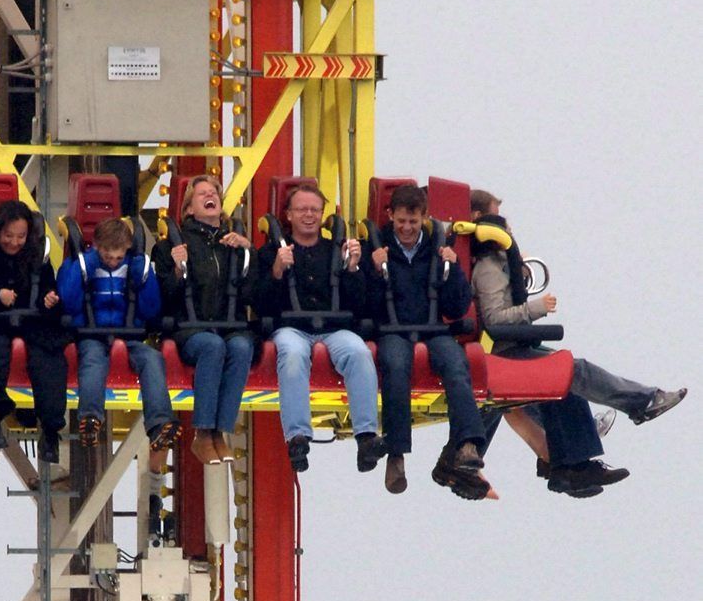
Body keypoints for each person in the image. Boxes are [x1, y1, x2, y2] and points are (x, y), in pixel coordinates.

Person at [468, 189, 685, 495]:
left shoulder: (492, 263)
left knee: (559, 379)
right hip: (498, 352)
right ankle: (641, 403)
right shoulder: (488, 266)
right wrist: (536, 307)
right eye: (502, 222)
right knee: (571, 370)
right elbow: (495, 319)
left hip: (502, 349)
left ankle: (572, 464)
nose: (509, 230)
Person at [364, 183, 493, 498]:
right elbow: (364, 304)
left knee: (455, 364)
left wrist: (452, 270)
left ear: (423, 218)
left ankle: (467, 443)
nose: (407, 228)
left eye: (413, 222)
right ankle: (396, 452)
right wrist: (372, 270)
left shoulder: (436, 250)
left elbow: (456, 305)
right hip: (393, 330)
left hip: (432, 328)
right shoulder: (378, 249)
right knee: (395, 366)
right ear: (391, 216)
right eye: (401, 222)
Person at [248, 178, 382, 475]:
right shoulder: (271, 253)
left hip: (335, 327)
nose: (309, 215)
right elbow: (260, 303)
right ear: (289, 215)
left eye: (314, 210)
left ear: (322, 215)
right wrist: (277, 271)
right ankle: (297, 436)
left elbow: (360, 303)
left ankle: (367, 436)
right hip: (291, 327)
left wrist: (352, 269)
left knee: (359, 353)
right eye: (302, 210)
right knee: (292, 353)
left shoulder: (336, 250)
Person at [151, 174, 255, 465]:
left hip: (227, 325)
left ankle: (220, 431)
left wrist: (248, 253)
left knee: (242, 347)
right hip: (189, 328)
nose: (210, 197)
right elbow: (163, 298)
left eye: (214, 193)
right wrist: (177, 267)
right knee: (212, 346)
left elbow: (252, 292)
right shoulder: (170, 246)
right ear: (188, 209)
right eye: (202, 194)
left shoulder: (232, 244)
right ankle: (203, 432)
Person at [58, 214, 175, 473]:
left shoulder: (135, 268)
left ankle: (160, 425)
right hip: (92, 334)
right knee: (92, 360)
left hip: (130, 335)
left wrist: (143, 280)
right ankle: (90, 417)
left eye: (118, 258)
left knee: (152, 359)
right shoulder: (83, 265)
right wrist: (83, 267)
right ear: (97, 247)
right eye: (107, 257)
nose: (112, 262)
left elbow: (152, 309)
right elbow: (67, 300)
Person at [0, 200, 67, 463]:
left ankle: (50, 429)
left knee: (49, 357)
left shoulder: (37, 259)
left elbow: (48, 294)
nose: (14, 243)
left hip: (32, 322)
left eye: (20, 237)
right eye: (8, 236)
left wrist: (49, 301)